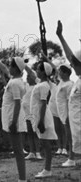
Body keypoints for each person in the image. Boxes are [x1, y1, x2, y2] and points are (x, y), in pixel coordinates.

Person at [56, 20, 81, 160]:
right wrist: (60, 36)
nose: (72, 65)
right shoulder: (79, 80)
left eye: (75, 63)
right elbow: (70, 56)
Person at [1, 57, 27, 182]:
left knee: (18, 150)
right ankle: (22, 177)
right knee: (17, 149)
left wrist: (13, 122)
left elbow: (17, 103)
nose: (9, 68)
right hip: (12, 117)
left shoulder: (15, 83)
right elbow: (4, 69)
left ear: (16, 68)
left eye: (11, 66)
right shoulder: (15, 80)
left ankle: (22, 179)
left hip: (14, 119)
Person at [30, 61, 57, 179]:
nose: (36, 71)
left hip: (42, 117)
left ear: (43, 72)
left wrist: (41, 121)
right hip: (38, 116)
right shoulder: (41, 84)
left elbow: (43, 104)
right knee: (44, 142)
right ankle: (47, 168)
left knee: (46, 144)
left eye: (38, 69)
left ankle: (47, 169)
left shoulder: (44, 86)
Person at [56, 64, 75, 166]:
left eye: (61, 72)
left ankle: (71, 158)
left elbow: (69, 101)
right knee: (68, 136)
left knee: (70, 136)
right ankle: (71, 156)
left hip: (68, 114)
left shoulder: (70, 85)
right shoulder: (61, 83)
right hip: (62, 113)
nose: (59, 73)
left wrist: (68, 115)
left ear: (66, 73)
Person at [21, 68, 41, 160]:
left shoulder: (38, 86)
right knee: (29, 133)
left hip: (35, 112)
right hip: (26, 113)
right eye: (27, 76)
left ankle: (38, 152)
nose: (27, 78)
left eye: (29, 76)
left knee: (36, 132)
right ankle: (32, 152)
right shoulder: (25, 86)